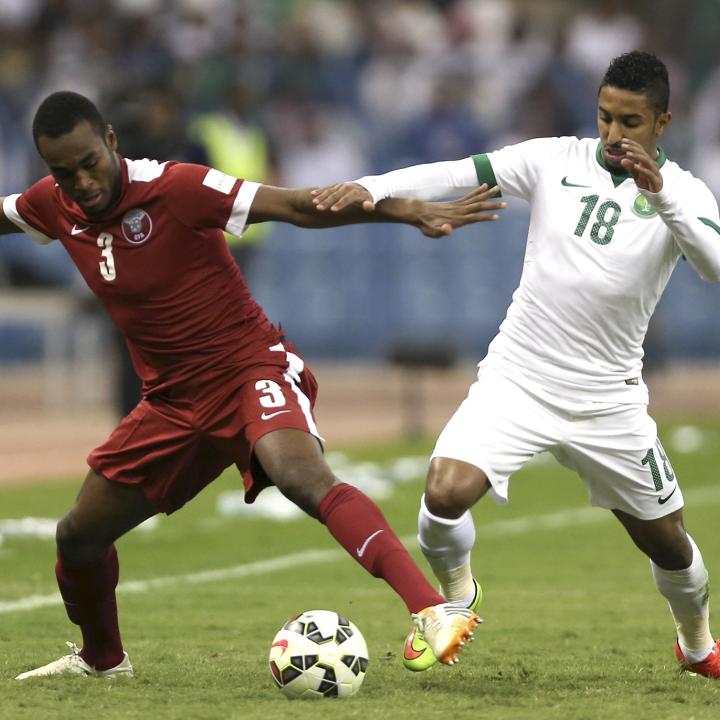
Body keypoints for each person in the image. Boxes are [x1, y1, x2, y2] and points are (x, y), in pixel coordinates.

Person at [1, 91, 506, 679]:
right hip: (172, 403)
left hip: (248, 368)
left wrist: (407, 210)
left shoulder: (177, 187)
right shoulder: (52, 205)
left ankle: (432, 610)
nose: (83, 181)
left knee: (301, 477)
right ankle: (103, 661)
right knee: (78, 535)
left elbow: (297, 207)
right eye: (65, 172)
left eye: (90, 161)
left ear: (111, 140)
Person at [313, 51, 720, 677]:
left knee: (669, 544)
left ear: (663, 122)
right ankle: (458, 599)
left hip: (608, 399)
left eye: (631, 122)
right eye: (605, 117)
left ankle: (696, 645)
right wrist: (375, 186)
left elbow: (714, 265)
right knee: (443, 492)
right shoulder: (554, 158)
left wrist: (660, 194)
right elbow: (455, 172)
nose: (614, 135)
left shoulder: (685, 192)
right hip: (519, 378)